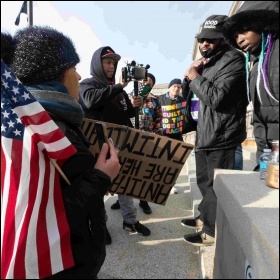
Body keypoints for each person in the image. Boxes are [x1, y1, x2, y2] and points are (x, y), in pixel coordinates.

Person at [2, 26, 120, 279]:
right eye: (73, 68)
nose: (78, 77)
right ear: (54, 74)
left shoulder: (46, 119)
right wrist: (100, 177)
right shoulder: (45, 130)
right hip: (61, 265)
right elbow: (41, 215)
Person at [180, 15, 248, 246]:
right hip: (205, 133)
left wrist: (196, 77)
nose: (204, 44)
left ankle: (211, 231)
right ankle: (205, 218)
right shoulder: (207, 62)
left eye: (210, 40)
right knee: (204, 183)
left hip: (222, 135)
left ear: (223, 39)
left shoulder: (234, 59)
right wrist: (190, 77)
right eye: (202, 40)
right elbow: (190, 96)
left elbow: (217, 98)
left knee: (217, 187)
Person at [79, 46, 151, 237]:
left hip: (121, 145)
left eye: (114, 63)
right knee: (99, 189)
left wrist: (136, 105)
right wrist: (118, 86)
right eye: (108, 62)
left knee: (125, 186)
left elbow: (128, 114)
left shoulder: (120, 92)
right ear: (98, 63)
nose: (112, 66)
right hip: (99, 148)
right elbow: (89, 102)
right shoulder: (88, 84)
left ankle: (131, 221)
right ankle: (100, 227)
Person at [222, 3, 279, 170]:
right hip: (267, 153)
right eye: (235, 35)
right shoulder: (255, 64)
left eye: (244, 31)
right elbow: (260, 117)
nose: (239, 39)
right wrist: (262, 162)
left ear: (261, 25)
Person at [111, 73, 159, 215]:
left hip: (146, 141)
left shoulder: (155, 101)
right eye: (144, 82)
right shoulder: (124, 97)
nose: (145, 85)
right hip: (127, 140)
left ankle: (143, 201)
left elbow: (158, 123)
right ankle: (122, 200)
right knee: (125, 171)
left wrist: (155, 140)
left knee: (143, 173)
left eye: (149, 84)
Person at [158, 78, 186, 194]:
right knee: (164, 161)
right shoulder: (160, 100)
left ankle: (171, 184)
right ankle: (162, 184)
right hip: (164, 135)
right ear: (169, 87)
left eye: (179, 87)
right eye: (174, 86)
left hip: (177, 135)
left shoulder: (182, 100)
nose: (176, 89)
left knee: (175, 162)